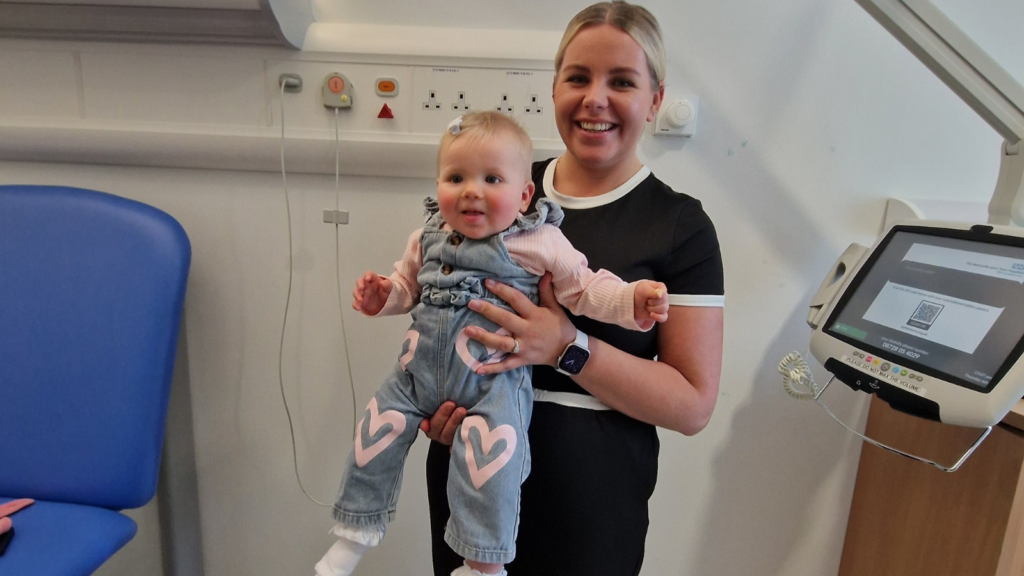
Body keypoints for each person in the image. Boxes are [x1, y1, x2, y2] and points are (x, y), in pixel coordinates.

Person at [423, 3, 725, 576]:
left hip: (591, 516)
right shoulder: (498, 186)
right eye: (579, 78)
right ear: (555, 85)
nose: (596, 99)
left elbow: (692, 404)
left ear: (655, 100)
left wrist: (566, 346)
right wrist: (435, 398)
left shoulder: (680, 227)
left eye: (622, 82)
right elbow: (436, 297)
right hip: (470, 483)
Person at [314, 110, 671, 576]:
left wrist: (630, 301)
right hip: (412, 379)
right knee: (371, 440)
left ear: (524, 195)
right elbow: (407, 287)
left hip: (491, 385)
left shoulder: (537, 240)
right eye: (456, 176)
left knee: (493, 469)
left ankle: (483, 565)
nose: (471, 190)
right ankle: (351, 540)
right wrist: (383, 295)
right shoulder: (426, 236)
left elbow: (583, 289)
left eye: (492, 178)